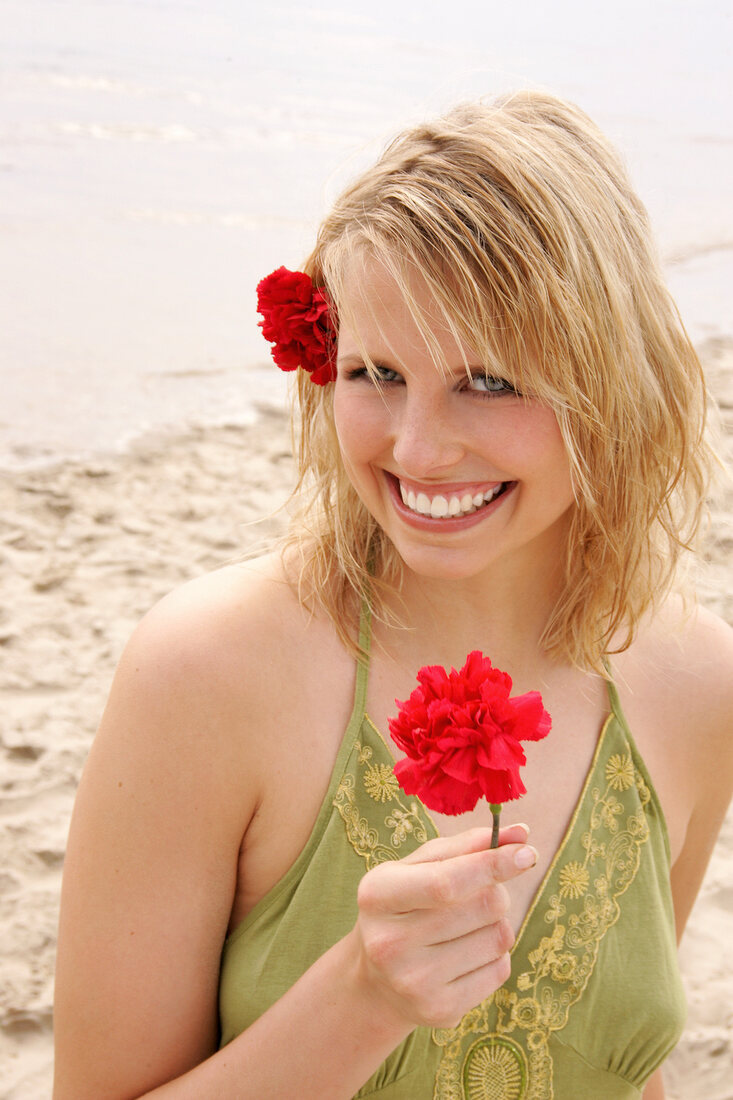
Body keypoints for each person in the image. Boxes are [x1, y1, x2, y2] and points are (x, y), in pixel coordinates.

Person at [53, 90, 733, 1100]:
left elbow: (622, 1065)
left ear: (613, 381)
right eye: (374, 371)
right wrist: (360, 1000)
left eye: (488, 381)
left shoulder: (694, 678)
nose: (414, 448)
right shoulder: (205, 670)